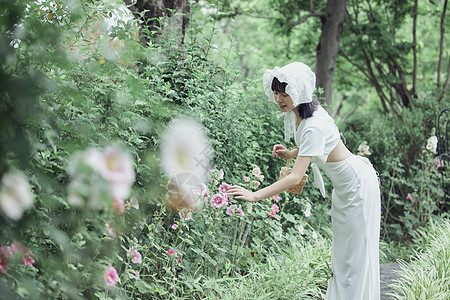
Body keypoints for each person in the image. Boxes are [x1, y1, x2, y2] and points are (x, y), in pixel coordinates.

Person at [228, 62, 381, 300]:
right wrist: (292, 153)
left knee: (355, 257)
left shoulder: (313, 125)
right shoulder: (303, 113)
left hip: (357, 186)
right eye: (276, 92)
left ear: (299, 90)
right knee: (343, 256)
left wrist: (255, 195)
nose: (279, 98)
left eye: (285, 93)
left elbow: (296, 177)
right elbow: (316, 148)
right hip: (344, 186)